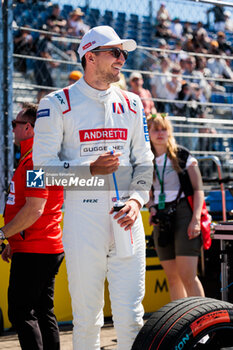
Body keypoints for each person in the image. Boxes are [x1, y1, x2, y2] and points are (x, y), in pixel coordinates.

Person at [32, 25, 154, 350]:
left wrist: (138, 201)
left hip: (128, 221)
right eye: (115, 52)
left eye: (124, 53)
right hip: (82, 221)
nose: (122, 59)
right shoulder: (56, 104)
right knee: (87, 317)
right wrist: (89, 170)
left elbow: (144, 160)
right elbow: (41, 172)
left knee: (132, 318)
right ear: (90, 56)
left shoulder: (132, 103)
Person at [0, 103, 64, 350]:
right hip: (40, 246)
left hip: (36, 249)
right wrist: (13, 240)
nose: (13, 129)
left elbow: (34, 208)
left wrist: (3, 233)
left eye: (15, 124)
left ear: (28, 127)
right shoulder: (36, 156)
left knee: (21, 312)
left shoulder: (36, 159)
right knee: (41, 309)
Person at [146, 114, 205, 301]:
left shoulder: (182, 155)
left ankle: (202, 326)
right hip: (162, 216)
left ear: (169, 131)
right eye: (155, 129)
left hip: (183, 213)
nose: (160, 133)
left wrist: (195, 219)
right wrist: (152, 208)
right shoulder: (145, 159)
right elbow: (145, 192)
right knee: (172, 278)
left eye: (163, 129)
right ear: (148, 133)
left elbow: (198, 189)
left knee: (188, 275)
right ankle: (182, 327)